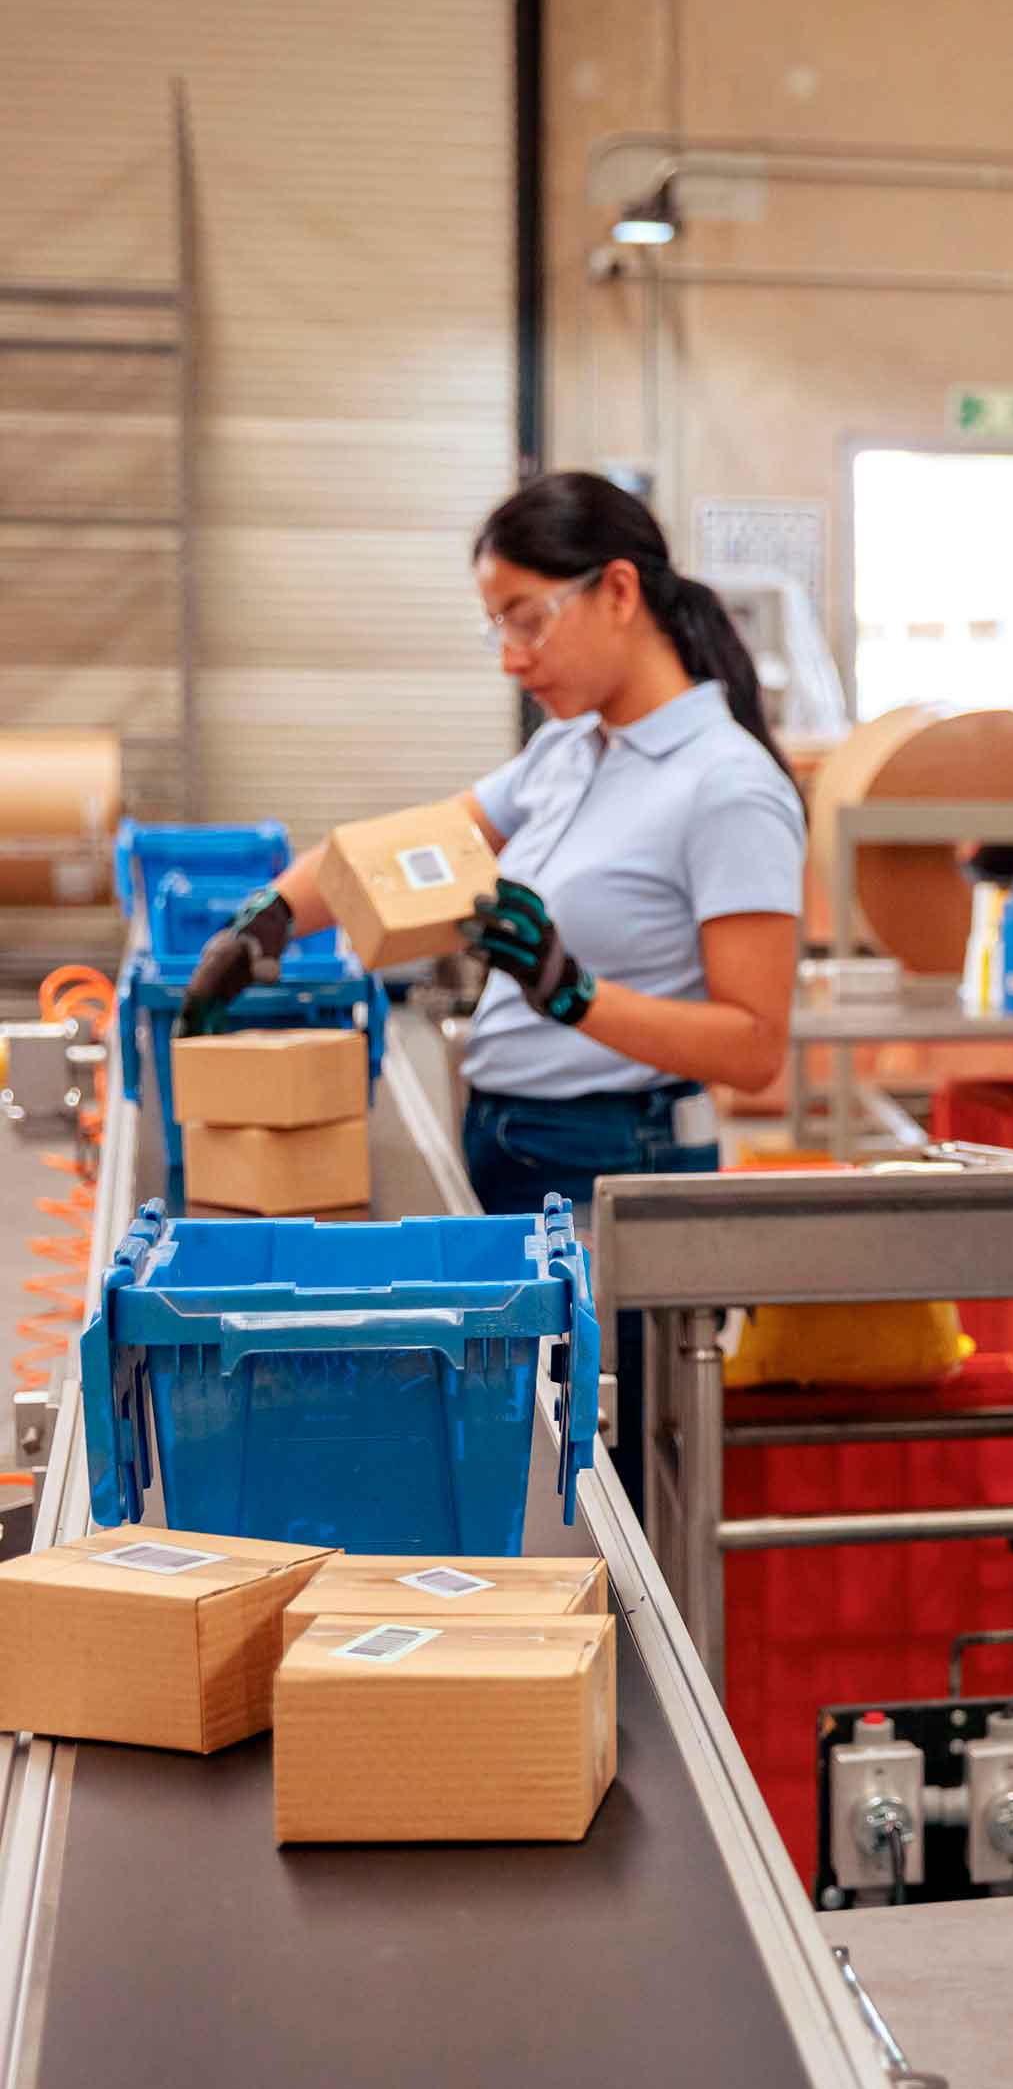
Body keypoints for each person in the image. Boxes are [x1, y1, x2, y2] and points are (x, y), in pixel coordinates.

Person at [180, 475, 805, 1459]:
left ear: (618, 592)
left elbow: (756, 1045)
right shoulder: (570, 752)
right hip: (512, 1147)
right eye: (497, 629)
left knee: (591, 1484)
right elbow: (408, 847)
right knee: (512, 1464)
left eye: (528, 619)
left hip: (614, 1167)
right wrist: (266, 924)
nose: (512, 657)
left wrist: (574, 995)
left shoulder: (728, 788)